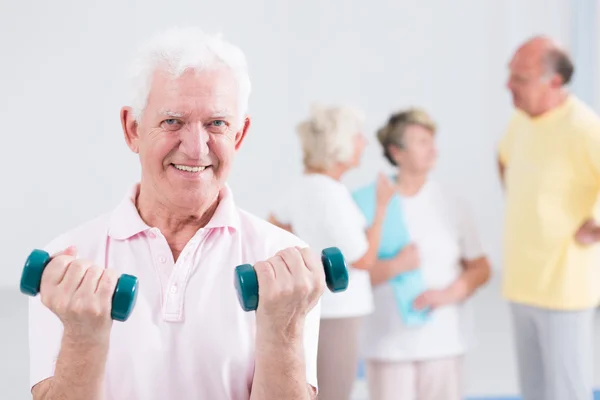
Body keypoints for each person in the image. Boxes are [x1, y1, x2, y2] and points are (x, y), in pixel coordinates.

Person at [28, 27, 326, 400]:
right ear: (132, 129)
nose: (197, 148)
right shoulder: (62, 266)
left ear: (239, 135)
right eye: (173, 121)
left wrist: (282, 328)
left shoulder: (289, 266)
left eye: (216, 124)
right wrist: (81, 337)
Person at [267, 104, 410, 400]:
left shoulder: (303, 185)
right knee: (334, 392)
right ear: (339, 144)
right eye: (357, 136)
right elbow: (364, 259)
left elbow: (275, 222)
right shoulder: (331, 194)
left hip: (318, 310)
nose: (364, 143)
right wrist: (381, 206)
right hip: (338, 312)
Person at [359, 108, 492, 400]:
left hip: (442, 343)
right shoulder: (368, 203)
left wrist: (447, 294)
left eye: (432, 141)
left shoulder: (452, 203)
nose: (433, 149)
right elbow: (354, 277)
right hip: (387, 344)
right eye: (421, 141)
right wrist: (396, 265)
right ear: (396, 151)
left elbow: (480, 268)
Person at [498, 35, 600, 400]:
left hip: (565, 289)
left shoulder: (585, 127)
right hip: (522, 283)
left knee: (567, 394)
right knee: (535, 393)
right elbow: (504, 159)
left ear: (554, 82)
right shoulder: (520, 121)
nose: (509, 86)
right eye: (510, 76)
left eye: (520, 79)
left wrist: (595, 225)